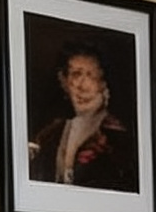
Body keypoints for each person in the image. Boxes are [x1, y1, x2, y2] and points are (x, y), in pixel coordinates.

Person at [27, 44, 136, 192]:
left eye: (91, 75)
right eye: (76, 74)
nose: (82, 86)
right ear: (65, 82)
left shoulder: (119, 138)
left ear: (104, 83)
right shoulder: (50, 134)